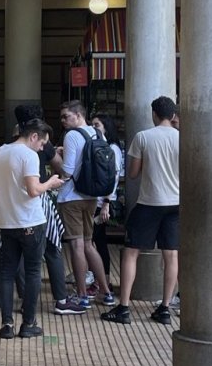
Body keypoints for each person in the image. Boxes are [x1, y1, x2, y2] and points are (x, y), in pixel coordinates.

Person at [102, 95, 180, 326]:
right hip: (176, 203)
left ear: (154, 114)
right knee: (171, 255)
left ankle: (124, 307)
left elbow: (133, 173)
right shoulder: (182, 138)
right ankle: (165, 307)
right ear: (173, 115)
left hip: (149, 203)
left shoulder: (143, 137)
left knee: (130, 252)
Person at [0, 117, 66, 339]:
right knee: (33, 272)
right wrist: (51, 183)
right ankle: (28, 323)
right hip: (30, 221)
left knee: (7, 272)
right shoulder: (29, 155)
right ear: (33, 136)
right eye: (42, 143)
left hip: (7, 222)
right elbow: (34, 190)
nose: (42, 148)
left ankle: (6, 325)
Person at [52, 101, 112, 313]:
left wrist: (55, 157)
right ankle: (106, 292)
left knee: (77, 246)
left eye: (66, 116)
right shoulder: (98, 134)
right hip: (92, 197)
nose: (63, 121)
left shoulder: (72, 136)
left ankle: (82, 295)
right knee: (89, 244)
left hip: (72, 197)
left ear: (78, 115)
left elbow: (67, 171)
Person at [90, 113, 124, 299]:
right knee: (95, 240)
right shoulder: (99, 146)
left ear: (106, 127)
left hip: (102, 202)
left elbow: (114, 178)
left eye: (97, 125)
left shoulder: (112, 149)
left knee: (99, 241)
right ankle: (99, 280)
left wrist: (106, 204)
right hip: (96, 201)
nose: (94, 128)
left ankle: (104, 281)